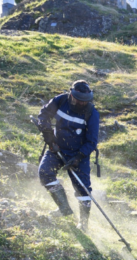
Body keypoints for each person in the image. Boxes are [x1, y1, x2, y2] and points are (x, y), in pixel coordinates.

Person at [37, 80, 100, 231]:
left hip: (79, 154)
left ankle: (83, 224)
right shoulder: (61, 100)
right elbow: (44, 114)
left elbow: (92, 142)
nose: (82, 103)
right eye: (79, 100)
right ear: (71, 95)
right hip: (56, 147)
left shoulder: (92, 113)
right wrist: (47, 133)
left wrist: (78, 157)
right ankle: (64, 208)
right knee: (44, 173)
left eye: (85, 101)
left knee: (83, 189)